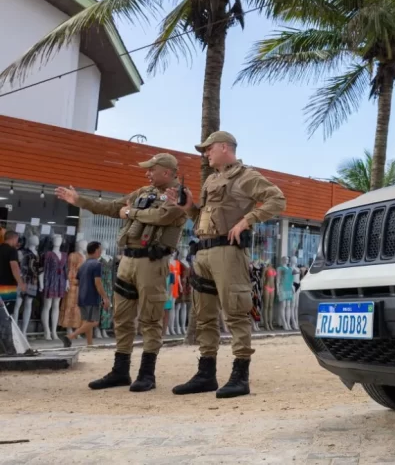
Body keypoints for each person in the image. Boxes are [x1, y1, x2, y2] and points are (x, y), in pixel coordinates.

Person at [56, 153, 186, 392]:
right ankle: (120, 371)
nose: (147, 173)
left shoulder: (179, 195)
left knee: (150, 318)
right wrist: (80, 201)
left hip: (152, 261)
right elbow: (112, 207)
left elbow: (162, 216)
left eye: (151, 169)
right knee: (122, 317)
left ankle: (147, 374)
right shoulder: (141, 193)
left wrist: (130, 213)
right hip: (127, 260)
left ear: (166, 172)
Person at [172, 131, 286, 399]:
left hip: (228, 253)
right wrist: (189, 207)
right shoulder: (211, 179)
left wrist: (248, 220)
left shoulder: (246, 176)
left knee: (235, 312)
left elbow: (277, 199)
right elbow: (203, 217)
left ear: (224, 147)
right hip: (204, 252)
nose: (205, 153)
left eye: (209, 149)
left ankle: (240, 375)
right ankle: (206, 373)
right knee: (204, 315)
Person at [59, 242, 109, 347]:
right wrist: (105, 297)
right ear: (95, 251)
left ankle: (89, 344)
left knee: (88, 321)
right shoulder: (97, 264)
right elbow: (98, 283)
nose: (100, 252)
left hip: (82, 297)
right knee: (94, 322)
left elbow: (77, 283)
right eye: (99, 250)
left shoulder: (83, 266)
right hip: (91, 297)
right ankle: (70, 336)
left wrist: (78, 298)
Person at [0, 229, 24, 315]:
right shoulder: (12, 251)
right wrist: (21, 283)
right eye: (17, 239)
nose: (17, 242)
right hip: (7, 286)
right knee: (6, 312)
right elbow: (14, 267)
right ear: (13, 238)